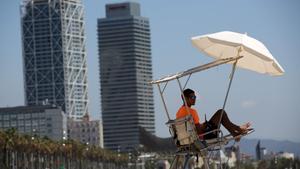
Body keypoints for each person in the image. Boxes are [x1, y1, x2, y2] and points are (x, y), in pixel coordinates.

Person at [176, 88, 251, 141]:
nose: (194, 98)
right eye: (192, 97)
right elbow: (199, 131)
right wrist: (204, 126)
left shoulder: (179, 112)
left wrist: (203, 125)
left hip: (188, 139)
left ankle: (236, 132)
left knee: (221, 114)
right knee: (221, 113)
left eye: (195, 97)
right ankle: (238, 130)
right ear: (185, 98)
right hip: (203, 136)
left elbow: (193, 128)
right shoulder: (191, 112)